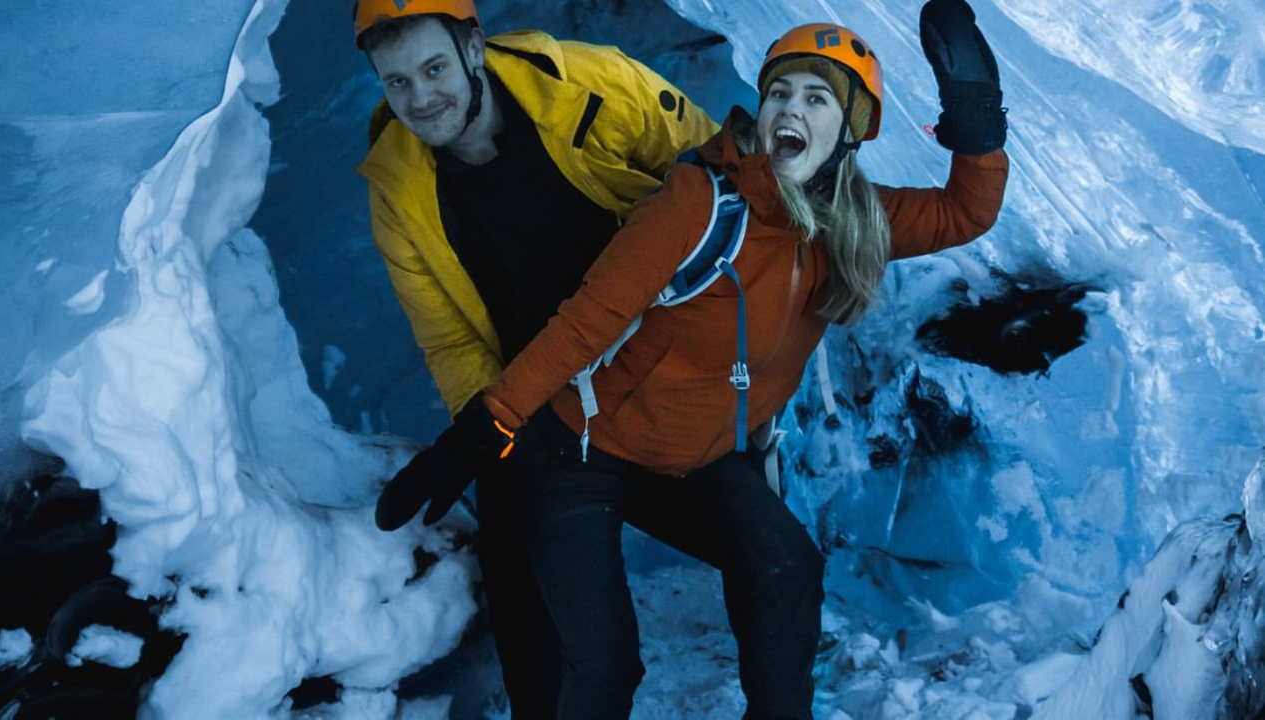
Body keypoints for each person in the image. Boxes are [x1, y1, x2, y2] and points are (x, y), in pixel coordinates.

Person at [375, 0, 1009, 717]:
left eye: (816, 97)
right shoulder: (696, 203)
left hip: (681, 461)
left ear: (850, 129)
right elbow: (583, 325)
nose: (790, 109)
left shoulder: (855, 218)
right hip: (575, 456)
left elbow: (967, 211)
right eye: (778, 92)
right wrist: (479, 435)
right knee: (603, 671)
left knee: (785, 565)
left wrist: (975, 106)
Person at [353, 0, 717, 716]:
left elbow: (716, 185)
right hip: (531, 396)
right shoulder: (397, 185)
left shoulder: (593, 87)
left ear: (474, 50)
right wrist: (494, 435)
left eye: (433, 68)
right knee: (521, 572)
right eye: (397, 82)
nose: (420, 98)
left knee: (771, 555)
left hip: (657, 365)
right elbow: (450, 340)